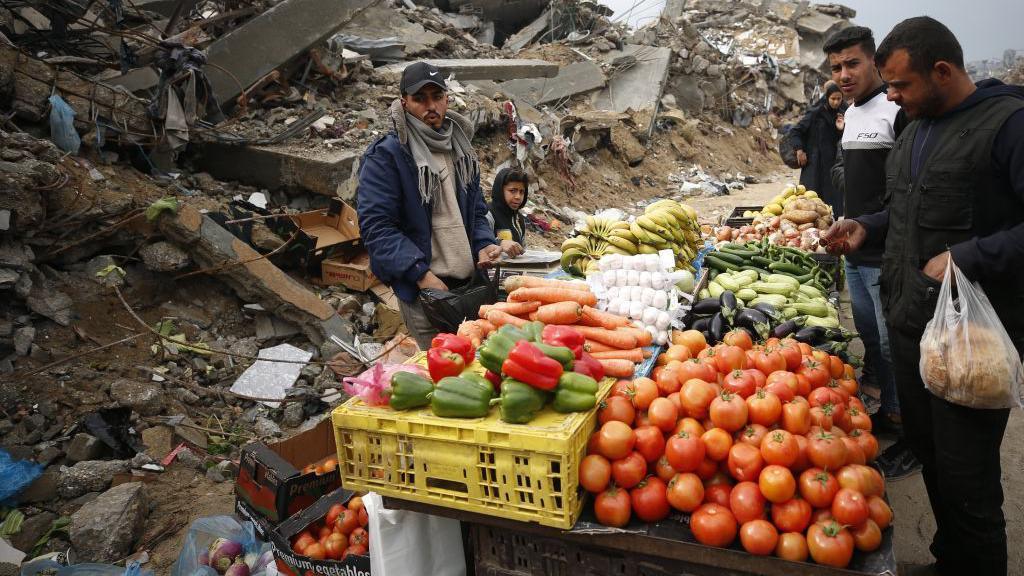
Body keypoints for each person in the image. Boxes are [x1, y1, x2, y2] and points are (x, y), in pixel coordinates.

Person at [824, 16, 1024, 575]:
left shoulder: (1007, 124)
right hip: (914, 322)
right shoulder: (914, 127)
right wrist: (869, 225)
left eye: (900, 85)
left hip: (972, 340)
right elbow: (908, 210)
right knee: (934, 458)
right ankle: (949, 559)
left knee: (968, 481)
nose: (890, 96)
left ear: (942, 71)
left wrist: (971, 255)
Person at [823, 25, 918, 478]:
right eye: (836, 67)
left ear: (874, 61)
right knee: (870, 338)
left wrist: (872, 221)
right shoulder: (853, 112)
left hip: (888, 252)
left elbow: (909, 188)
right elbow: (849, 167)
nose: (844, 74)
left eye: (852, 63)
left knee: (895, 341)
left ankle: (912, 432)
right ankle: (891, 411)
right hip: (855, 250)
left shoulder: (896, 110)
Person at [357, 61, 502, 348]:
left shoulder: (460, 148)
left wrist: (483, 242)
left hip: (471, 284)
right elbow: (377, 228)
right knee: (442, 375)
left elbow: (475, 209)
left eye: (437, 97)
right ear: (404, 102)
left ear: (447, 99)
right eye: (420, 99)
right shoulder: (388, 156)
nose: (430, 106)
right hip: (427, 292)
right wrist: (421, 275)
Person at [790, 81, 847, 216]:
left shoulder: (843, 113)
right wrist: (799, 150)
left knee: (833, 205)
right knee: (811, 203)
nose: (836, 102)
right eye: (833, 99)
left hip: (833, 163)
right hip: (814, 164)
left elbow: (844, 138)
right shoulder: (816, 113)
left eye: (839, 99)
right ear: (827, 97)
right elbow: (796, 131)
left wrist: (841, 128)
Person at [489, 167, 529, 258]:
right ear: (500, 190)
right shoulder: (488, 213)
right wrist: (500, 243)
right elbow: (478, 242)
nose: (518, 196)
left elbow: (523, 249)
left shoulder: (519, 219)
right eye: (512, 191)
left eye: (522, 192)